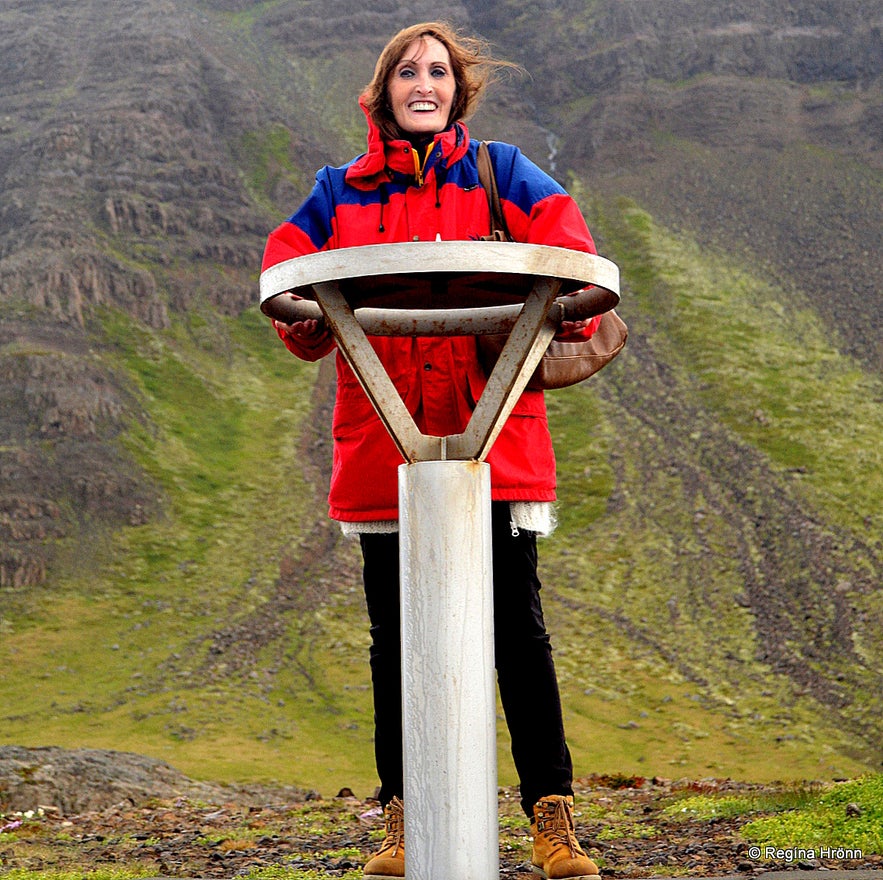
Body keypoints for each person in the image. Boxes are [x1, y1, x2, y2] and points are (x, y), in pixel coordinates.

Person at [261, 21, 603, 880]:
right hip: (388, 439)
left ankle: (550, 820)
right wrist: (304, 311)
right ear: (382, 91)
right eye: (407, 71)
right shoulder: (338, 191)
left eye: (440, 72)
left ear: (459, 90)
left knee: (516, 632)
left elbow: (572, 246)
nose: (425, 82)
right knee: (395, 638)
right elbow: (286, 262)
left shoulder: (501, 174)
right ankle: (402, 820)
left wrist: (571, 305)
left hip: (491, 436)